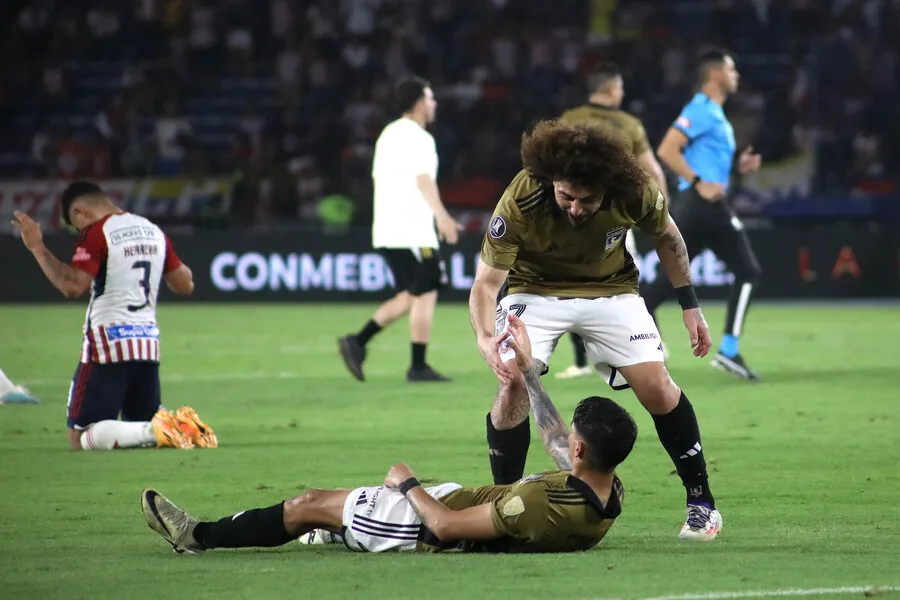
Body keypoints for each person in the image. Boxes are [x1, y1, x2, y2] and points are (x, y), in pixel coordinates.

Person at [141, 313, 637, 555]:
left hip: (423, 526)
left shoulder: (534, 505)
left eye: (570, 437)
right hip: (461, 503)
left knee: (306, 503)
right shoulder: (607, 490)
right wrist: (527, 372)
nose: (561, 439)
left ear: (581, 448)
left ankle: (197, 536)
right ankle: (337, 531)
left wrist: (407, 484)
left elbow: (443, 528)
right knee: (331, 513)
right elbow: (556, 442)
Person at [469, 119, 723, 541]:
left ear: (606, 187)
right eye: (565, 195)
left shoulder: (634, 188)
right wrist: (484, 337)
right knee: (512, 380)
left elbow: (668, 237)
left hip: (612, 292)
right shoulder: (523, 195)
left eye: (586, 200)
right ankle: (504, 504)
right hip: (535, 291)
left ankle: (702, 503)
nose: (574, 207)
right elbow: (486, 283)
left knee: (658, 387)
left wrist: (690, 305)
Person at [10, 180, 216, 451]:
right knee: (139, 431)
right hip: (146, 343)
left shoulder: (97, 232)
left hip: (108, 343)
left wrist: (37, 247)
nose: (79, 232)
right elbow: (184, 284)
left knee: (81, 436)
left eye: (76, 225)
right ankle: (173, 428)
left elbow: (72, 286)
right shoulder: (153, 231)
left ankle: (162, 428)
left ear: (81, 211)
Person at [648, 49, 763, 381]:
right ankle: (728, 350)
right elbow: (667, 149)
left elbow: (711, 168)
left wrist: (738, 170)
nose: (736, 75)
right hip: (701, 206)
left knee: (672, 278)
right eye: (732, 69)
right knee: (748, 270)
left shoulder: (714, 114)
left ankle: (629, 332)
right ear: (715, 74)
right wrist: (697, 181)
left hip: (697, 207)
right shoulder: (700, 109)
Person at [338, 76, 461, 383]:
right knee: (426, 290)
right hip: (413, 232)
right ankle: (413, 364)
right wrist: (442, 216)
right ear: (419, 102)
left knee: (416, 293)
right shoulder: (420, 138)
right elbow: (423, 181)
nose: (433, 104)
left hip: (387, 230)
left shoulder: (388, 134)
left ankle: (361, 342)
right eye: (430, 98)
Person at [556, 62, 672, 379]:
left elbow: (552, 168)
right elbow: (654, 172)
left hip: (572, 216)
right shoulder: (629, 124)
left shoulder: (569, 121)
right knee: (626, 287)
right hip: (616, 219)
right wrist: (659, 215)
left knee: (567, 283)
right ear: (610, 89)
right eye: (620, 87)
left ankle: (581, 360)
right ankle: (652, 346)